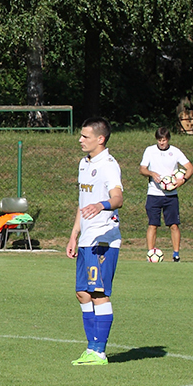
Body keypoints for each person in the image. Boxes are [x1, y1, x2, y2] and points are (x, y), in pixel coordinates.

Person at [71, 118, 125, 364]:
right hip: (86, 238)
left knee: (98, 292)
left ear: (100, 139)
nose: (80, 140)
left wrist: (100, 205)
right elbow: (82, 203)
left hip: (103, 239)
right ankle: (91, 348)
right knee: (82, 293)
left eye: (85, 136)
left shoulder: (109, 165)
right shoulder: (84, 163)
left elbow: (118, 198)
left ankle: (98, 351)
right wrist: (74, 235)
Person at [140, 126, 193, 261]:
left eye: (164, 140)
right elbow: (142, 169)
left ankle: (176, 254)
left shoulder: (175, 152)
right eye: (159, 140)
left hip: (171, 196)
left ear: (168, 139)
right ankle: (151, 253)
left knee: (174, 225)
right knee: (153, 225)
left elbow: (190, 168)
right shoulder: (150, 151)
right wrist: (151, 173)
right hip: (154, 194)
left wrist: (182, 181)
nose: (161, 143)